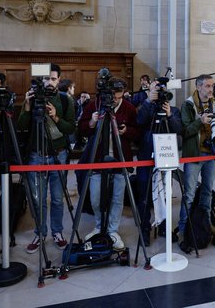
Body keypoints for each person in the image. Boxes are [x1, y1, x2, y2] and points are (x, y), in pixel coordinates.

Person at [17, 64, 75, 253]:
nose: (49, 82)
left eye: (53, 79)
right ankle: (40, 233)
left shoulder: (66, 100)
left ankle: (57, 232)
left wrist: (56, 117)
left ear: (58, 80)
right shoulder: (32, 99)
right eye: (46, 78)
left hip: (58, 154)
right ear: (40, 80)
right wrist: (26, 106)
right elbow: (22, 127)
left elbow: (71, 129)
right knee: (38, 199)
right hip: (36, 155)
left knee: (57, 198)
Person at [78, 76, 139, 250]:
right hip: (97, 159)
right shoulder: (95, 104)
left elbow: (137, 133)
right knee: (96, 197)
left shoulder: (129, 108)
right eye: (113, 96)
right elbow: (81, 129)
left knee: (117, 198)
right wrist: (92, 121)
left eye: (119, 97)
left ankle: (112, 229)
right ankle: (99, 225)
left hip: (120, 158)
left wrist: (126, 130)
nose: (115, 100)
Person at [135, 78, 182, 245]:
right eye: (156, 88)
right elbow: (140, 120)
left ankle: (164, 226)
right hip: (147, 154)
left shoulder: (173, 110)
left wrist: (169, 114)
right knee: (144, 194)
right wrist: (148, 100)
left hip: (166, 155)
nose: (160, 93)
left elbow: (178, 129)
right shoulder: (146, 106)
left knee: (165, 192)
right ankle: (145, 228)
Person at [178, 74, 215, 243]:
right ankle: (184, 230)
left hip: (211, 153)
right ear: (198, 87)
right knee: (189, 194)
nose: (211, 89)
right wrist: (200, 121)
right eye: (207, 86)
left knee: (207, 192)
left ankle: (206, 225)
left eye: (212, 86)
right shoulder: (188, 105)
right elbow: (185, 131)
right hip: (194, 154)